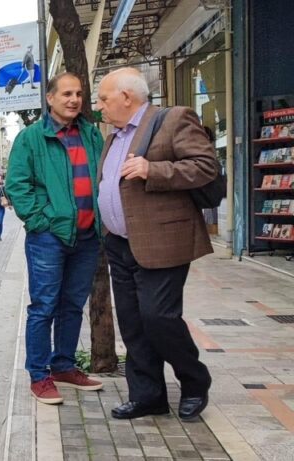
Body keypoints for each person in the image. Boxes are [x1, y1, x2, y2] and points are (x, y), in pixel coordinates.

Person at [96, 67, 216, 421]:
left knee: (158, 316)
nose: (99, 105)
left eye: (104, 98)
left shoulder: (173, 119)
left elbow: (206, 166)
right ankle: (148, 395)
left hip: (162, 240)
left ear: (126, 97)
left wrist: (154, 170)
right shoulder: (114, 136)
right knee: (133, 322)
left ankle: (195, 381)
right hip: (119, 243)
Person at [4, 71, 105, 406]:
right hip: (49, 236)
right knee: (44, 306)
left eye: (78, 93)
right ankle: (39, 374)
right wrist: (41, 220)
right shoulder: (31, 138)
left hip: (88, 236)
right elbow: (17, 185)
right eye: (66, 94)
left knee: (72, 305)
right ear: (49, 98)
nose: (74, 99)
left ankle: (63, 366)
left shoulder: (91, 135)